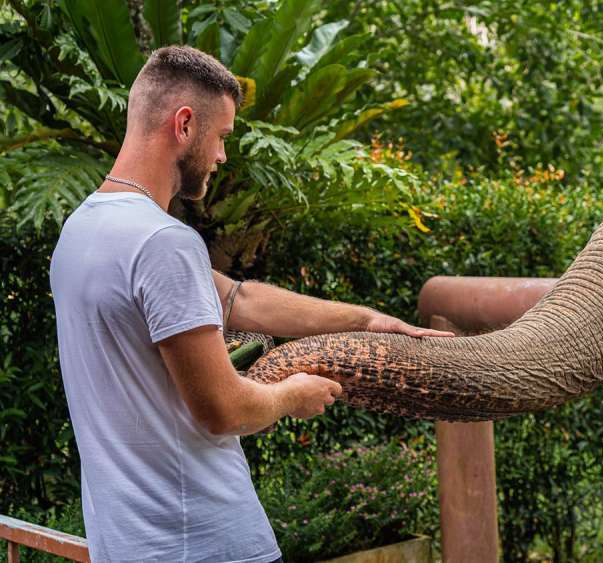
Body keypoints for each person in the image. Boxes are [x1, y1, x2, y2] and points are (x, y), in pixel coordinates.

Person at [49, 45, 452, 562]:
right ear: (185, 124)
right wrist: (293, 395)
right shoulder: (162, 243)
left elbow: (240, 299)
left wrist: (368, 320)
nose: (222, 157)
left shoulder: (82, 230)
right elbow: (224, 410)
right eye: (221, 138)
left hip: (127, 546)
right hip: (206, 544)